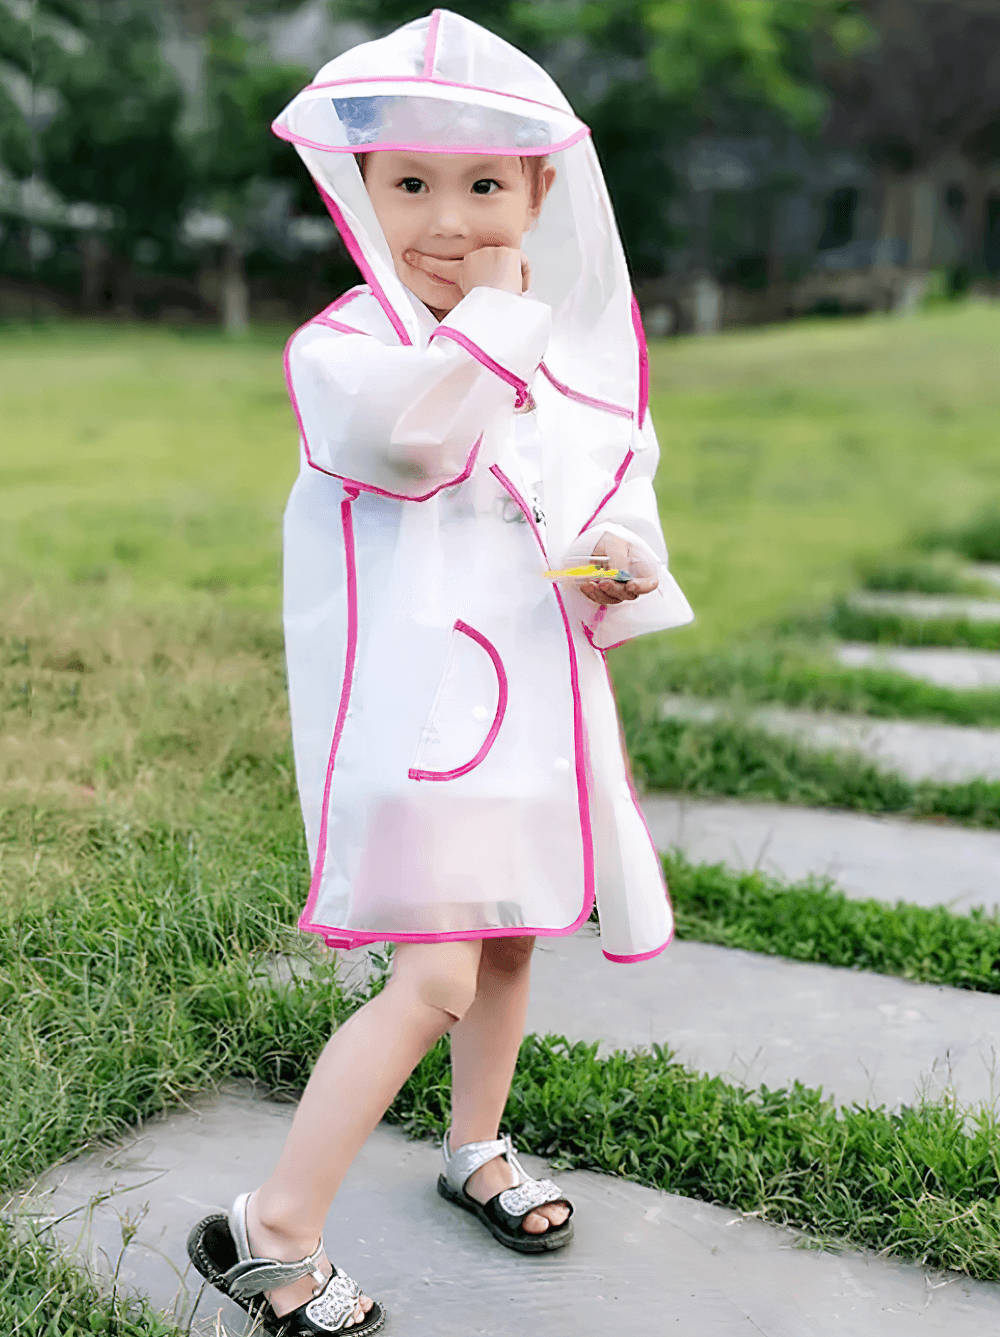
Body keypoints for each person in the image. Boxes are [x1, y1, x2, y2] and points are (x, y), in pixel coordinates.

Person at [187, 9, 693, 1334]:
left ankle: (475, 1145)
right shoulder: (350, 352)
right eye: (410, 184)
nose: (449, 220)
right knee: (436, 975)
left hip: (533, 715)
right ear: (358, 189)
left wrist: (611, 565)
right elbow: (423, 450)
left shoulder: (572, 378)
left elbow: (607, 526)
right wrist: (509, 328)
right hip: (420, 725)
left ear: (540, 190)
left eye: (483, 186)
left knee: (516, 939)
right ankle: (273, 1228)